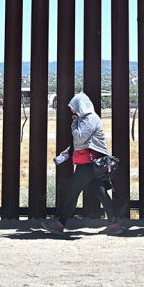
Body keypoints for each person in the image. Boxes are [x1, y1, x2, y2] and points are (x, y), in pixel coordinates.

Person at [40, 93, 124, 235]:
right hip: (92, 162)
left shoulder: (89, 119)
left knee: (72, 192)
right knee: (101, 192)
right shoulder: (85, 119)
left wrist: (73, 123)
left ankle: (59, 224)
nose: (72, 111)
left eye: (74, 108)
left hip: (88, 163)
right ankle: (114, 224)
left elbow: (79, 139)